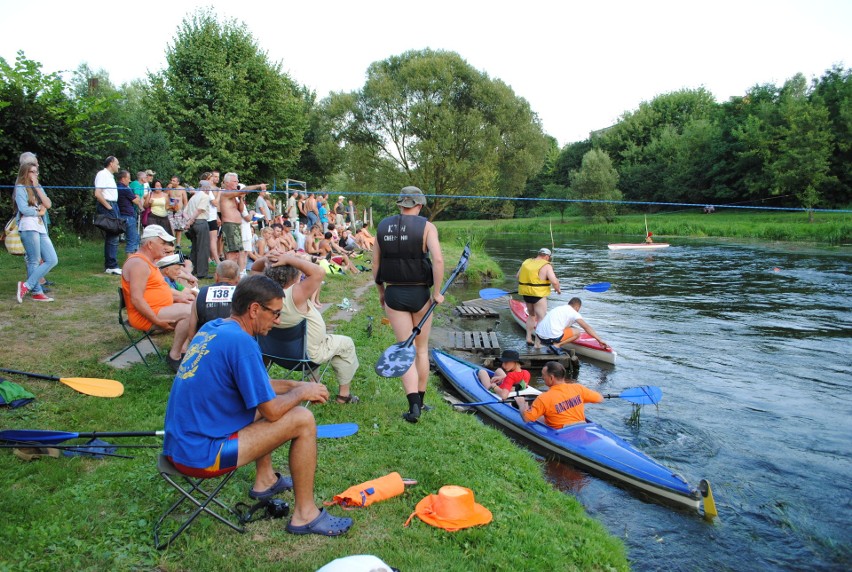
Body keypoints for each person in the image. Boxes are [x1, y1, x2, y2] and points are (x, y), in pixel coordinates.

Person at [162, 274, 353, 537]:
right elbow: (272, 410)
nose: (277, 320)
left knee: (254, 403)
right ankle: (305, 515)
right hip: (202, 456)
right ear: (254, 309)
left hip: (178, 446)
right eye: (275, 313)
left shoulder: (214, 328)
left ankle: (265, 481)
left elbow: (257, 384)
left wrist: (294, 385)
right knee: (302, 419)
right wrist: (302, 393)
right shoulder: (243, 344)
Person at [373, 186, 444, 423]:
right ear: (420, 205)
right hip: (420, 294)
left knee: (404, 350)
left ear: (400, 204)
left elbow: (376, 263)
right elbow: (438, 259)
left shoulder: (383, 227)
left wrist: (381, 291)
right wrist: (438, 292)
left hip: (394, 293)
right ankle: (421, 403)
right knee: (421, 350)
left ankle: (413, 407)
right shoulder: (427, 227)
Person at [264, 254, 360, 404]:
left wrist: (267, 258)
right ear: (296, 278)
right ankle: (344, 396)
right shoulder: (294, 294)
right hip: (306, 356)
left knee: (312, 342)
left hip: (274, 353)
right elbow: (319, 272)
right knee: (346, 343)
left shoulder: (260, 293)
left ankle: (313, 387)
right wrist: (289, 259)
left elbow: (255, 270)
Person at [121, 224, 194, 372]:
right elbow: (137, 299)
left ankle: (184, 351)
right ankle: (174, 356)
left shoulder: (149, 263)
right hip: (147, 315)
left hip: (158, 309)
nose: (166, 247)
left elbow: (159, 289)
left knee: (196, 306)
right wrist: (157, 322)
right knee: (191, 313)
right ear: (150, 244)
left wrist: (179, 296)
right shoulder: (138, 264)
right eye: (162, 243)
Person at [14, 162, 58, 303]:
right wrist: (39, 211)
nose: (35, 174)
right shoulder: (20, 188)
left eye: (36, 172)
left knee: (52, 259)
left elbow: (48, 203)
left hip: (40, 227)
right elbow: (24, 209)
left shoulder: (37, 187)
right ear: (25, 173)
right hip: (28, 226)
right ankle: (37, 292)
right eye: (33, 172)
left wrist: (37, 187)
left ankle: (26, 285)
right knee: (34, 260)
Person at [514, 361, 602, 429]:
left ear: (551, 378)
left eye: (543, 375)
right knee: (543, 416)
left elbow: (526, 418)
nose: (542, 377)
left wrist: (522, 404)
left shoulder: (543, 398)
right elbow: (599, 398)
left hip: (561, 433)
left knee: (538, 415)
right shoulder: (578, 388)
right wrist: (581, 398)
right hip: (581, 426)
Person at [517, 247, 561, 347]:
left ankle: (528, 337)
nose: (549, 259)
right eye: (549, 258)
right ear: (546, 256)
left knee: (531, 315)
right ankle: (537, 343)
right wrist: (558, 289)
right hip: (538, 295)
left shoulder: (526, 262)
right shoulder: (546, 265)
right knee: (542, 318)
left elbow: (517, 276)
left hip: (526, 294)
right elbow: (554, 281)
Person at [186, 260, 240, 340]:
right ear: (238, 279)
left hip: (205, 344)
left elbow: (191, 334)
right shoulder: (243, 295)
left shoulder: (201, 294)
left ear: (216, 276)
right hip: (234, 344)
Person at [535, 297, 608, 350]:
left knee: (564, 328)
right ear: (577, 307)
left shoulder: (559, 308)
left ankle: (551, 343)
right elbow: (586, 327)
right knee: (577, 332)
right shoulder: (574, 313)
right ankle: (557, 345)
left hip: (539, 336)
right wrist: (599, 340)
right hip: (549, 338)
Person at [93, 156, 123, 275]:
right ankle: (111, 265)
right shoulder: (102, 174)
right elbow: (98, 193)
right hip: (108, 204)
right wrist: (109, 207)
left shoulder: (110, 176)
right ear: (111, 163)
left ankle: (111, 264)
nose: (118, 166)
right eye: (117, 163)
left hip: (113, 204)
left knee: (114, 234)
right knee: (113, 234)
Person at [184, 187, 212, 279]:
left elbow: (184, 212)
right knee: (203, 248)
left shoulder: (193, 197)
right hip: (201, 221)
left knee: (195, 248)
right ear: (206, 188)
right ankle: (202, 272)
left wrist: (189, 220)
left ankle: (193, 269)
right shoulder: (204, 196)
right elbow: (200, 209)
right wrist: (191, 220)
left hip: (193, 224)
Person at [116, 170, 141, 255]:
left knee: (135, 238)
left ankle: (134, 259)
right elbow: (136, 201)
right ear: (123, 179)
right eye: (128, 178)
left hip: (121, 215)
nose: (129, 181)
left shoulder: (117, 187)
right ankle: (131, 264)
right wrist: (137, 196)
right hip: (128, 216)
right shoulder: (125, 189)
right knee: (131, 240)